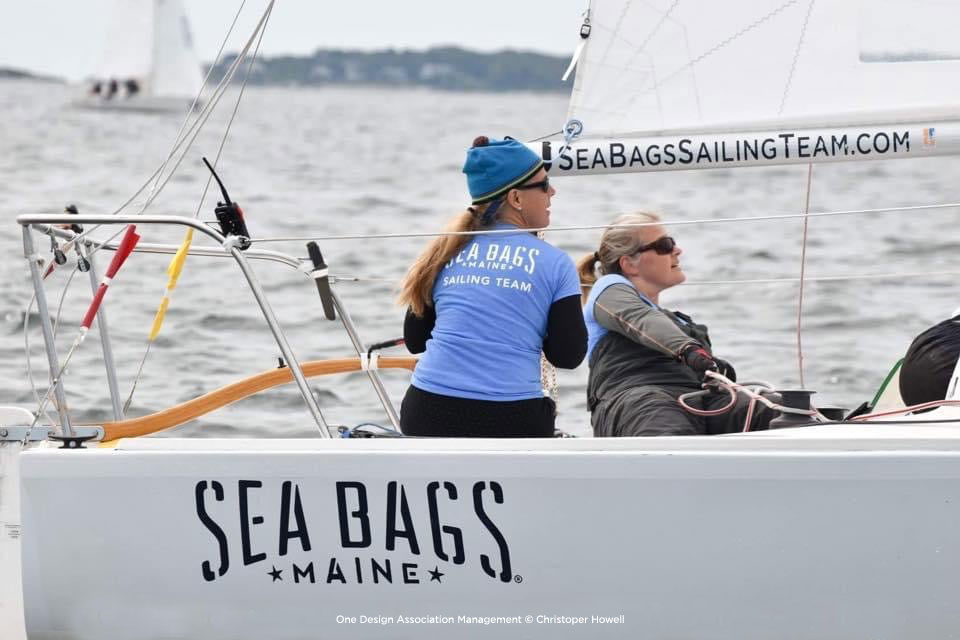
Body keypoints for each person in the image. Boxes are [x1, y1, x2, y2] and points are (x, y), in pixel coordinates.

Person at [398, 136, 587, 437]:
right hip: (511, 419)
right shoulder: (556, 263)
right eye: (543, 184)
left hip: (426, 413)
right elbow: (568, 356)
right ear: (516, 198)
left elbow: (415, 340)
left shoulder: (444, 252)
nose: (552, 191)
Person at [579, 212, 776, 436]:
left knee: (778, 411)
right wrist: (688, 349)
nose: (677, 250)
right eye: (665, 245)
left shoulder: (679, 321)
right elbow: (642, 320)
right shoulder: (607, 290)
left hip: (698, 401)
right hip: (641, 400)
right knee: (667, 425)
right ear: (629, 264)